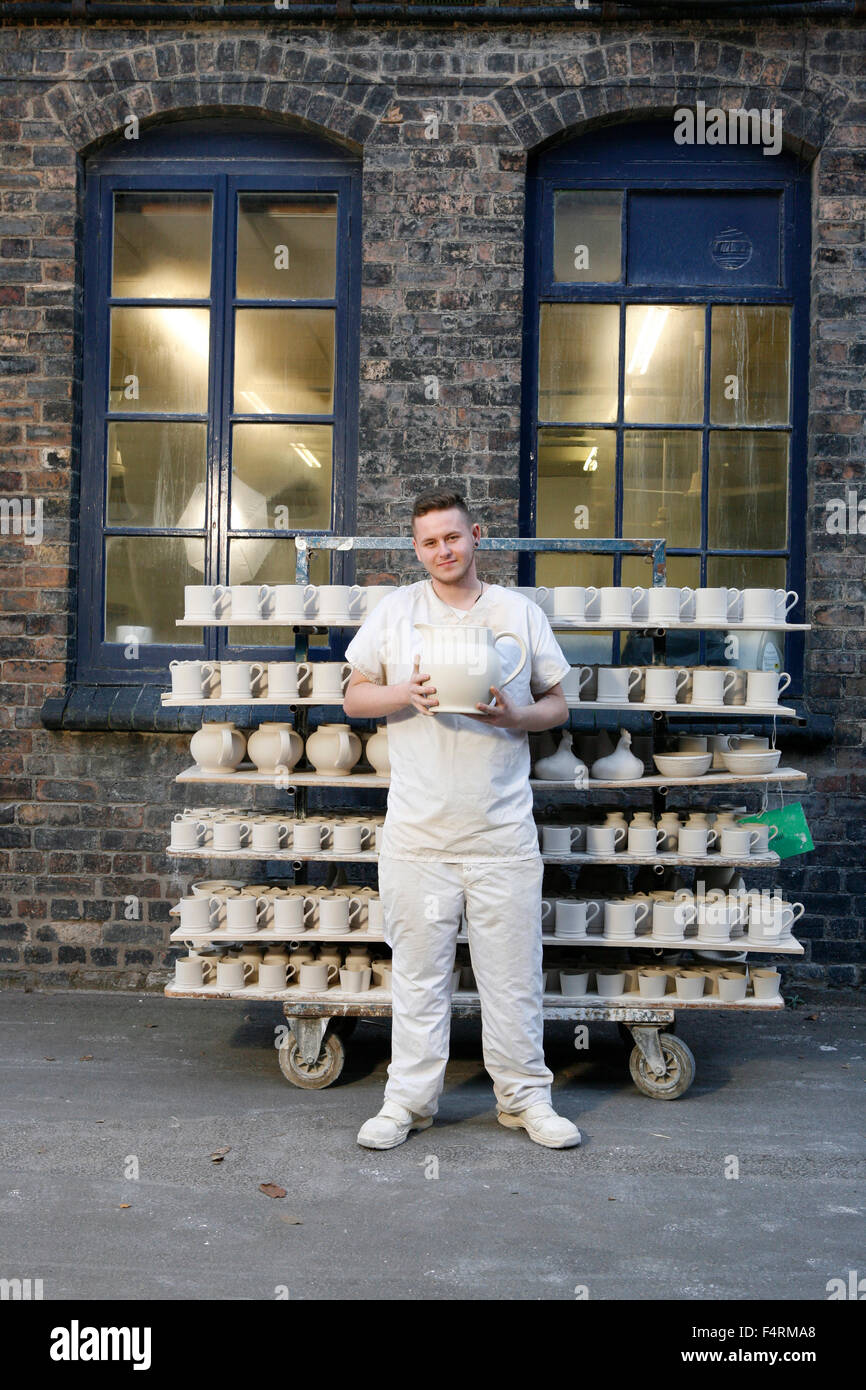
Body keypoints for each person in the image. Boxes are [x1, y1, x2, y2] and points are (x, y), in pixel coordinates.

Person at [343, 491, 581, 1150]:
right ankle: (408, 1103)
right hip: (418, 832)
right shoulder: (395, 613)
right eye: (429, 543)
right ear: (416, 550)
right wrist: (404, 695)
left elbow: (559, 705)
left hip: (501, 830)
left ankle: (525, 1098)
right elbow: (354, 697)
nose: (443, 551)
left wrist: (516, 715)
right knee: (419, 975)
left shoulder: (517, 612)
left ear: (475, 536)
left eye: (453, 537)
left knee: (513, 975)